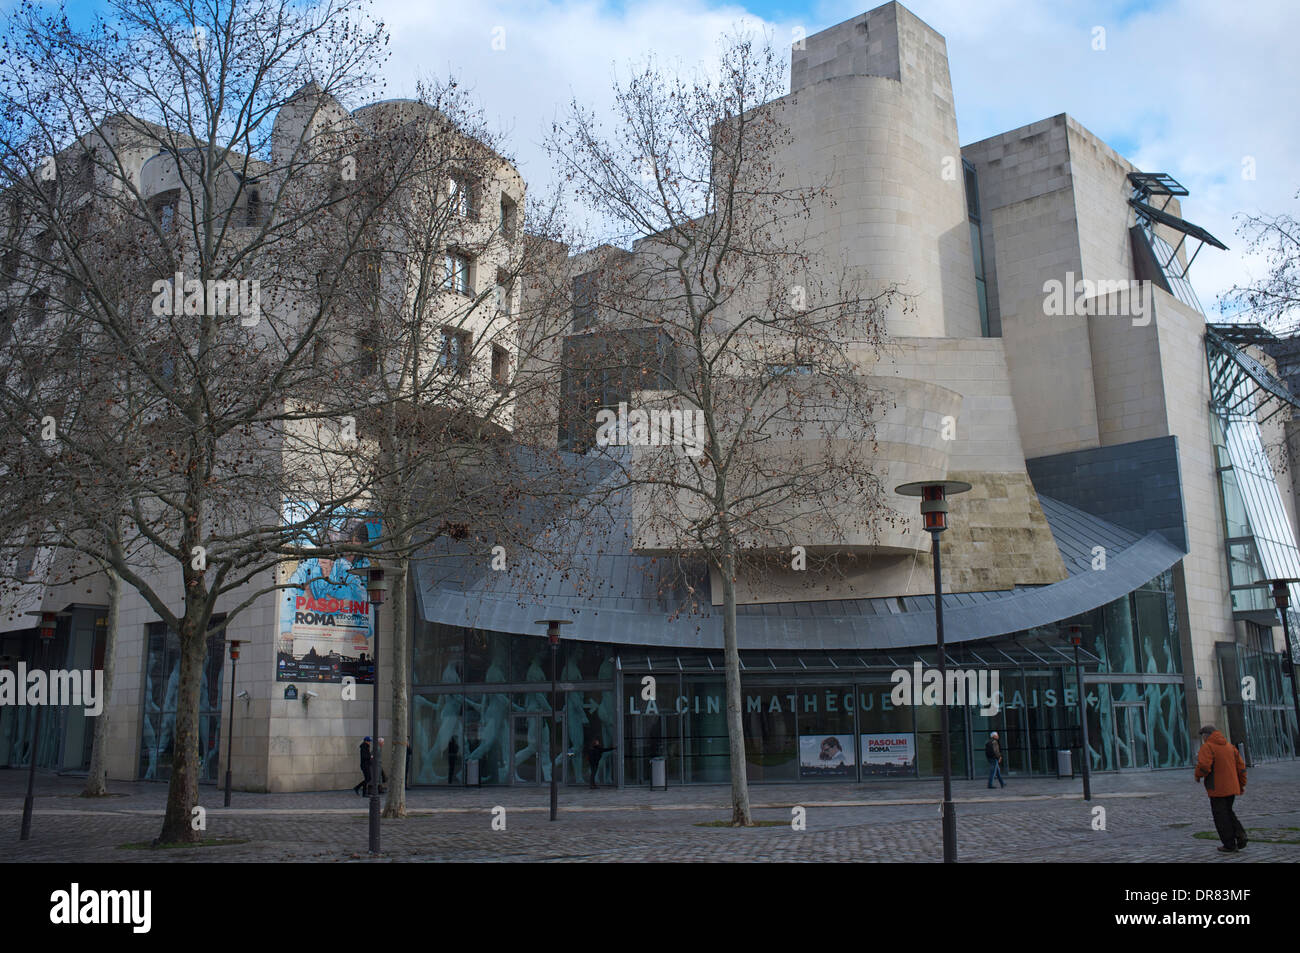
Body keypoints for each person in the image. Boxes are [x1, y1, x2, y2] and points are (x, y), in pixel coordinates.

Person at [1193, 724, 1248, 853]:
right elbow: (1241, 768)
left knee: (1220, 816)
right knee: (1228, 812)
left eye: (1203, 737)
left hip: (1217, 788)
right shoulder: (1230, 747)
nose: (1203, 740)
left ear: (1206, 736)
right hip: (1232, 787)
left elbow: (1204, 766)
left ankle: (1229, 844)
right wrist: (1241, 784)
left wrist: (1197, 775)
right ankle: (1240, 834)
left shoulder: (1208, 747)